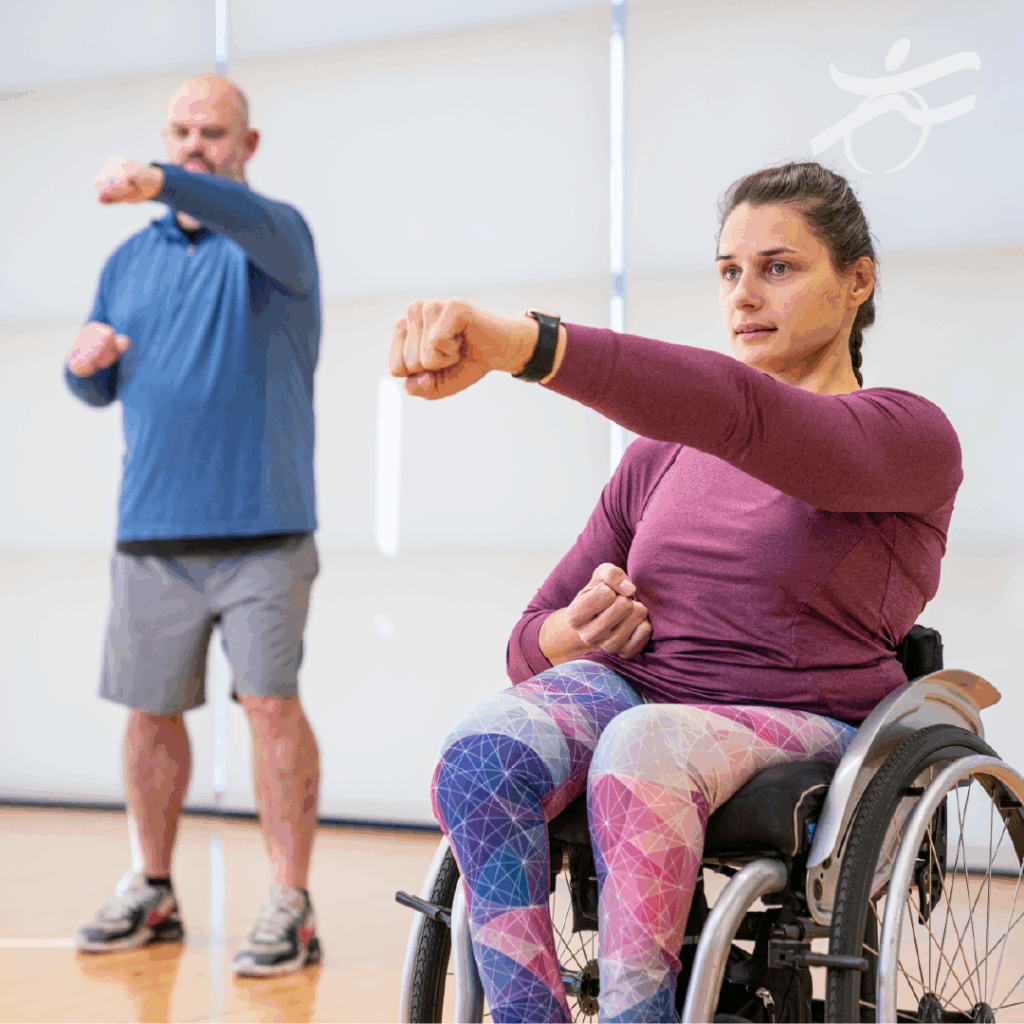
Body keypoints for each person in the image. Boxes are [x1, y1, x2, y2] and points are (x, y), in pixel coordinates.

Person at [389, 162, 962, 1022]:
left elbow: (748, 415)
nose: (745, 294)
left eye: (778, 267)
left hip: (798, 715)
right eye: (730, 271)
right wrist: (573, 636)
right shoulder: (659, 458)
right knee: (482, 754)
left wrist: (524, 346)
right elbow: (527, 643)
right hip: (640, 696)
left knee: (642, 745)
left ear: (857, 281)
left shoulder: (905, 435)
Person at [68, 76, 323, 978]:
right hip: (152, 534)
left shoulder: (273, 237)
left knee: (271, 708)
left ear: (246, 145)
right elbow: (103, 378)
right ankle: (153, 887)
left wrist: (157, 181)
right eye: (179, 132)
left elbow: (210, 201)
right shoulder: (128, 262)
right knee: (149, 717)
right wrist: (83, 368)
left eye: (212, 133)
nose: (192, 146)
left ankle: (289, 903)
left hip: (264, 535)